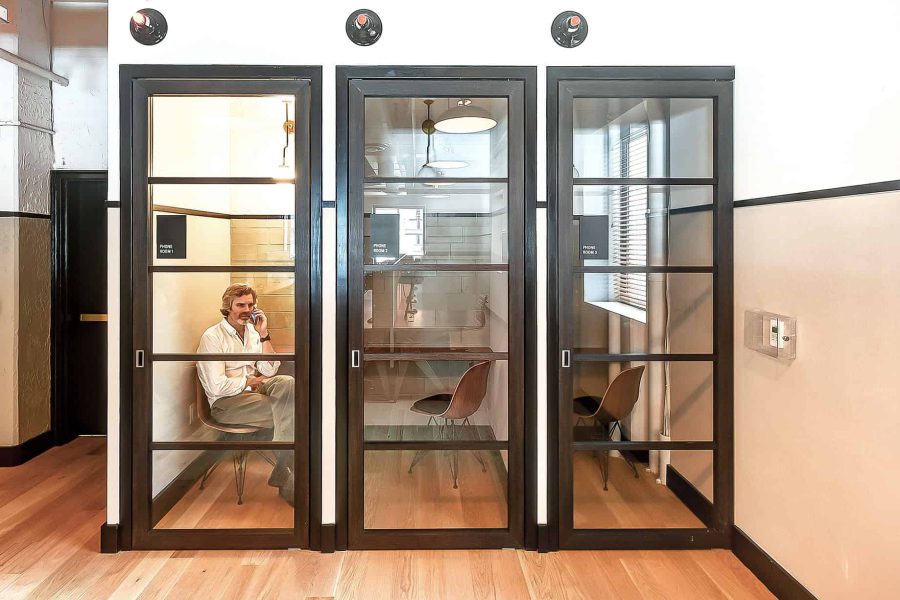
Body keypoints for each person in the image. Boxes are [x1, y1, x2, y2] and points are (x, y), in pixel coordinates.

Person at [196, 283, 295, 506]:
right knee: (295, 410)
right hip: (227, 404)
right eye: (241, 305)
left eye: (251, 305)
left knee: (287, 383)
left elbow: (270, 369)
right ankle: (289, 478)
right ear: (227, 307)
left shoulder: (252, 332)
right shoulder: (212, 337)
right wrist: (251, 381)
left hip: (255, 394)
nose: (247, 310)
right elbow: (216, 386)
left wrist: (264, 335)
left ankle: (284, 471)